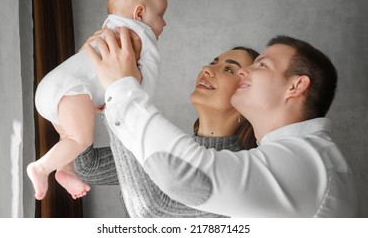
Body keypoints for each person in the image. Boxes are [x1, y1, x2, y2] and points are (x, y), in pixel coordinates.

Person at [86, 28, 357, 217]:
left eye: (261, 65)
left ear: (295, 86)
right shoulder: (300, 156)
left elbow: (171, 194)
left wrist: (121, 88)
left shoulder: (305, 163)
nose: (242, 72)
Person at [27, 0, 168, 200]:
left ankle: (65, 169)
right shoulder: (143, 37)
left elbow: (95, 75)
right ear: (139, 13)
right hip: (71, 91)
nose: (165, 22)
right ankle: (41, 168)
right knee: (80, 139)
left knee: (69, 139)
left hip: (52, 86)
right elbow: (145, 90)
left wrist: (101, 97)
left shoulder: (108, 27)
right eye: (161, 14)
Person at [74, 46, 259, 217]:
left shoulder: (238, 171)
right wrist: (83, 90)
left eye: (228, 69)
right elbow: (88, 168)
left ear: (248, 100)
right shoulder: (171, 148)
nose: (207, 68)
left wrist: (119, 93)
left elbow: (153, 214)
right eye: (213, 62)